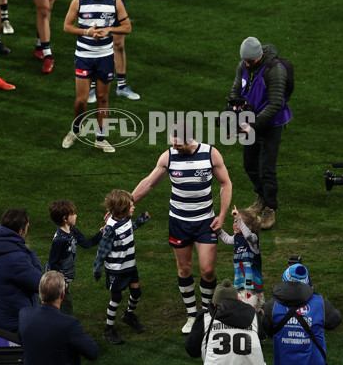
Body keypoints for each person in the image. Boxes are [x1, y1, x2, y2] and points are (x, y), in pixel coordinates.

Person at [131, 121, 232, 334]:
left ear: (189, 140)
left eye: (178, 145)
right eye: (173, 144)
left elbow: (226, 184)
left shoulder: (211, 154)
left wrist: (222, 215)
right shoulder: (168, 157)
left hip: (206, 222)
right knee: (184, 269)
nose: (174, 148)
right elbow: (148, 183)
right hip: (178, 222)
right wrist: (127, 202)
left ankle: (206, 313)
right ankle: (191, 315)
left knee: (207, 270)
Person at [62, 0, 132, 154]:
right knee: (81, 100)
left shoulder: (114, 2)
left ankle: (100, 138)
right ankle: (76, 129)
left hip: (105, 57)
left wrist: (109, 30)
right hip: (84, 56)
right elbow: (67, 27)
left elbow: (127, 27)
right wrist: (87, 32)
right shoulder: (79, 1)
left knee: (102, 98)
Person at [230, 36, 292, 230]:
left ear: (259, 56)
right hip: (251, 122)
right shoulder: (244, 65)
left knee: (267, 168)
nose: (246, 64)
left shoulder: (275, 71)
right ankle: (262, 196)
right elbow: (236, 90)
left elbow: (275, 104)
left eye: (249, 61)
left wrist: (252, 125)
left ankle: (270, 207)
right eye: (244, 61)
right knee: (249, 164)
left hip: (270, 124)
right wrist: (233, 108)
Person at [93, 189, 150, 345]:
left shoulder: (125, 219)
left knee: (136, 293)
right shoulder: (110, 229)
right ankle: (108, 329)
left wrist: (140, 221)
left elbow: (129, 230)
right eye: (131, 205)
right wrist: (97, 269)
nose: (134, 207)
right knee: (116, 298)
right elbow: (102, 251)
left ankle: (128, 315)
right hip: (116, 270)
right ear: (123, 208)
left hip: (130, 266)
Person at [0, 208, 43, 332]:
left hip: (1, 314)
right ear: (20, 231)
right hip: (17, 323)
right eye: (27, 227)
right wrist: (26, 250)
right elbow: (39, 282)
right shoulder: (15, 259)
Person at [45, 199, 103, 315]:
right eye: (73, 214)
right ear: (65, 219)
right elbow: (53, 262)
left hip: (64, 278)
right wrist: (61, 281)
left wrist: (100, 233)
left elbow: (86, 243)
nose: (76, 216)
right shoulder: (60, 240)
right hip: (58, 279)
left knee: (60, 305)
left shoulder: (72, 231)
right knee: (65, 307)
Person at [217, 205, 263, 311]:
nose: (235, 224)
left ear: (249, 227)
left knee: (249, 311)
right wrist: (218, 230)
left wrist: (238, 219)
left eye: (239, 222)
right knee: (250, 311)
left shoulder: (253, 239)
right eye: (235, 221)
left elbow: (247, 236)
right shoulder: (237, 238)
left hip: (252, 285)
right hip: (241, 283)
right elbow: (227, 239)